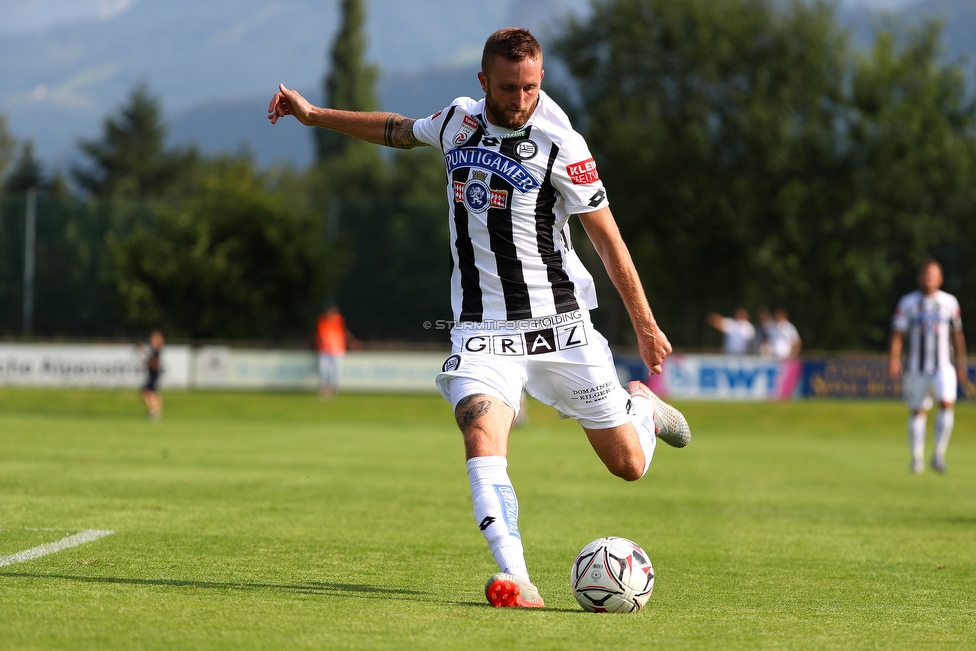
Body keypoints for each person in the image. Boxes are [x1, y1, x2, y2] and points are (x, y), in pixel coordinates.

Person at [268, 27, 690, 609]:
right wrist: (315, 116)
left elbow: (610, 243)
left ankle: (639, 405)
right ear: (484, 82)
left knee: (629, 466)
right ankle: (518, 577)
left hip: (562, 328)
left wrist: (645, 326)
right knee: (480, 432)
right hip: (482, 332)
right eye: (510, 88)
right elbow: (395, 129)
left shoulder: (562, 144)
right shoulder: (457, 121)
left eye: (532, 87)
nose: (522, 100)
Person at [889, 259, 966, 474]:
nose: (928, 277)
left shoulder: (950, 302)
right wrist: (894, 359)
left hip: (944, 366)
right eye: (925, 273)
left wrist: (961, 363)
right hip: (916, 368)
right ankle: (917, 459)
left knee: (947, 404)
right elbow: (898, 334)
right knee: (917, 411)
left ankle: (939, 455)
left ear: (941, 278)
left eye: (932, 274)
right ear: (919, 277)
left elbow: (957, 334)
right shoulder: (908, 302)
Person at [315, 304, 359, 398]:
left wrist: (352, 343)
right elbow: (320, 335)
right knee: (324, 369)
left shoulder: (339, 321)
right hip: (325, 349)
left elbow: (344, 333)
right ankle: (324, 386)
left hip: (337, 349)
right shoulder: (322, 321)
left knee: (336, 369)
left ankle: (333, 387)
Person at [141, 330, 164, 421]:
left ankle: (155, 411)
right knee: (151, 391)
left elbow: (154, 363)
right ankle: (154, 410)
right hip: (153, 373)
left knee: (149, 391)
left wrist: (149, 365)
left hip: (154, 373)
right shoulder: (153, 351)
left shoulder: (156, 351)